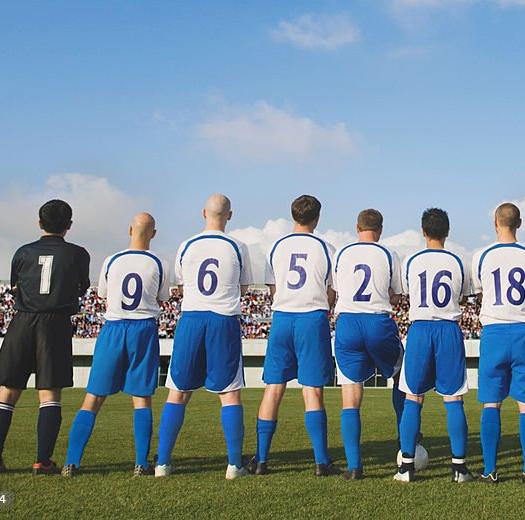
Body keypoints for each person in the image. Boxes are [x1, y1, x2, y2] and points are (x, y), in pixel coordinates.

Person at [0, 199, 91, 475]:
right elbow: (81, 289)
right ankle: (42, 461)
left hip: (22, 321)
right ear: (69, 225)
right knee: (49, 393)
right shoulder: (78, 254)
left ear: (39, 223)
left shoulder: (23, 252)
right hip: (54, 324)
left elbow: (14, 286)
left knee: (7, 391)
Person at [61, 213, 169, 477]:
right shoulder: (160, 263)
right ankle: (141, 463)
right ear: (154, 234)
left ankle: (72, 462)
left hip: (113, 328)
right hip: (143, 328)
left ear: (130, 229)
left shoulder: (112, 259)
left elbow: (104, 294)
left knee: (93, 398)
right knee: (141, 399)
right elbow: (162, 297)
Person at [155, 195, 251, 480]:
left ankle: (162, 463)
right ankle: (234, 465)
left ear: (203, 213)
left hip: (192, 319)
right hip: (223, 320)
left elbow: (183, 284)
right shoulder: (238, 246)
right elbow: (243, 289)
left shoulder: (187, 245)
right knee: (230, 393)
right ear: (230, 216)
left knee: (178, 392)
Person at [253, 195, 340, 476]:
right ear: (317, 217)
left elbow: (273, 289)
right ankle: (320, 462)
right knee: (312, 391)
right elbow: (331, 290)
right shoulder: (326, 247)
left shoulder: (276, 246)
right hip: (311, 317)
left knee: (273, 388)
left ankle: (262, 460)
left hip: (282, 318)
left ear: (293, 215)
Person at [395, 208, 473, 483]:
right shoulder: (458, 262)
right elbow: (463, 297)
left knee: (413, 398)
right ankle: (459, 469)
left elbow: (406, 293)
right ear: (447, 231)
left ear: (423, 231)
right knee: (453, 399)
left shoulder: (411, 261)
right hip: (448, 329)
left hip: (420, 329)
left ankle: (406, 468)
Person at [471, 203, 525, 484]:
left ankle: (490, 471)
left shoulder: (481, 255)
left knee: (491, 403)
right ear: (520, 223)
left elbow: (480, 292)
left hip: (494, 332)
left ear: (495, 222)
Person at [333, 208, 406, 480]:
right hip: (377, 321)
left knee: (350, 397)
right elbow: (396, 296)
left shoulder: (341, 253)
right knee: (402, 376)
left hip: (348, 322)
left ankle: (354, 467)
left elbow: (338, 289)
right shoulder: (388, 254)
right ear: (381, 229)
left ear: (357, 227)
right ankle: (405, 443)